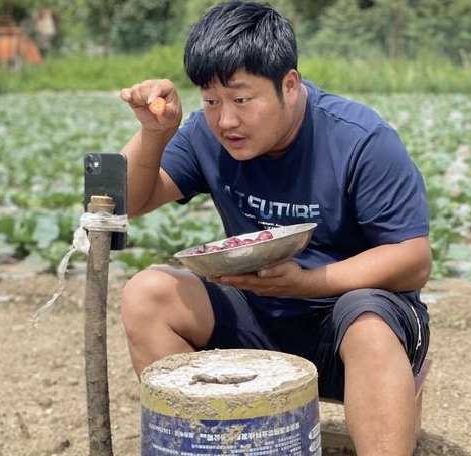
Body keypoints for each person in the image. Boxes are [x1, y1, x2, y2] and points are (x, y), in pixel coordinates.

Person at [118, 2, 431, 454]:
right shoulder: (206, 134)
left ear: (290, 84)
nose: (226, 120)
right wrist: (153, 134)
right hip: (261, 315)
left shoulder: (360, 140)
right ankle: (214, 445)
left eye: (242, 99)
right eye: (211, 101)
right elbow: (131, 201)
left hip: (352, 325)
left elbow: (413, 259)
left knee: (367, 323)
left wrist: (307, 284)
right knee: (147, 294)